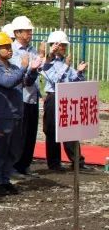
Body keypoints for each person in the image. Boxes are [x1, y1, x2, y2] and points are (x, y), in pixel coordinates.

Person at [0, 31, 39, 196]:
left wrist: (32, 71)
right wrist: (23, 68)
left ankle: (4, 179)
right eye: (5, 47)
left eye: (9, 46)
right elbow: (8, 82)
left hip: (16, 115)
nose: (9, 50)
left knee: (13, 150)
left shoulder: (14, 68)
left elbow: (26, 82)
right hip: (1, 116)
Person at [42, 31, 90, 171]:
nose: (63, 48)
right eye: (61, 45)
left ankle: (77, 161)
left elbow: (73, 79)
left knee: (70, 129)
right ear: (54, 45)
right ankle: (54, 163)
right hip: (53, 96)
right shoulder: (48, 62)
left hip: (66, 96)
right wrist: (67, 66)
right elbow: (55, 80)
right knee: (51, 131)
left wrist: (79, 72)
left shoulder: (64, 61)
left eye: (64, 45)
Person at [9, 16, 39, 177]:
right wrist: (29, 68)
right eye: (27, 31)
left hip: (33, 96)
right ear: (17, 32)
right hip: (20, 97)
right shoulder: (13, 51)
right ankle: (14, 166)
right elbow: (17, 75)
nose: (29, 34)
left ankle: (25, 165)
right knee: (19, 133)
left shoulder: (32, 50)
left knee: (30, 133)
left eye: (30, 31)